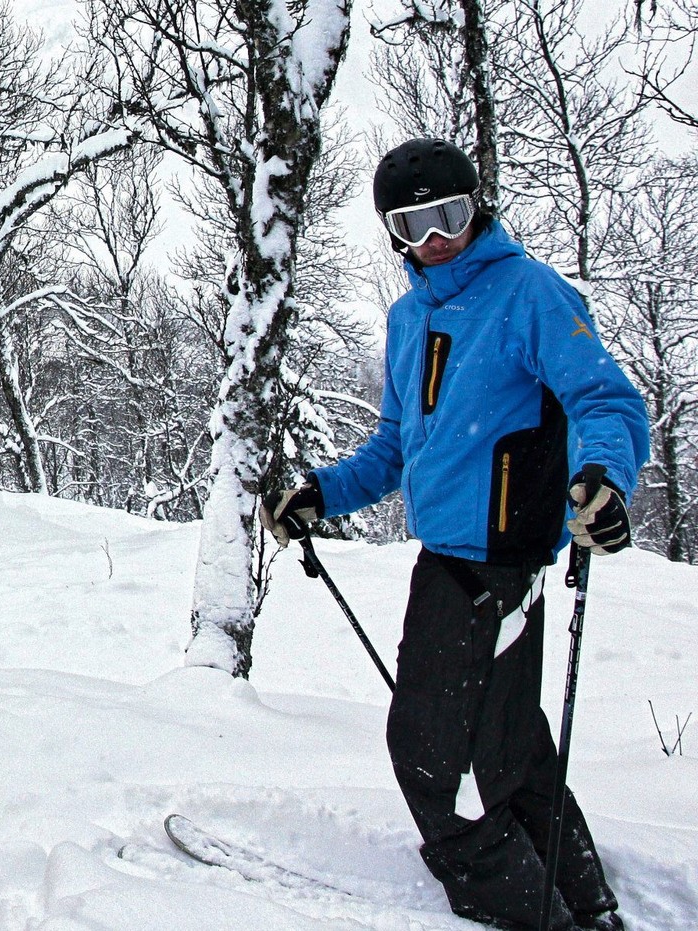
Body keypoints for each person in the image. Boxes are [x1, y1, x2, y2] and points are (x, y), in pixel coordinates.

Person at [261, 139, 648, 931]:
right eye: (413, 225)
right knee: (510, 747)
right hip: (444, 565)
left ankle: (520, 908)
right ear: (393, 234)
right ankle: (585, 903)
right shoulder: (410, 317)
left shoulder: (529, 293)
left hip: (498, 568)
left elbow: (604, 400)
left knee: (432, 758)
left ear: (479, 207)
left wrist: (604, 478)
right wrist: (322, 494)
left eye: (449, 215)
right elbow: (396, 447)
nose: (435, 237)